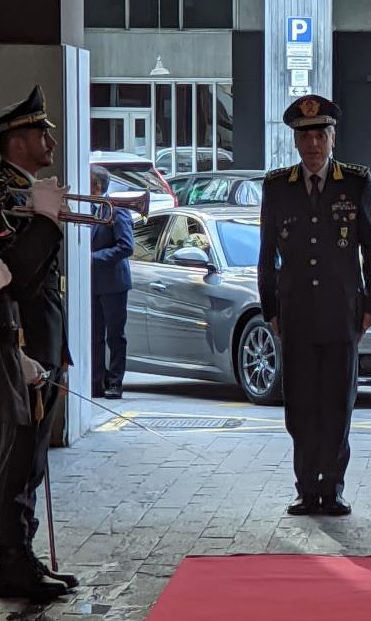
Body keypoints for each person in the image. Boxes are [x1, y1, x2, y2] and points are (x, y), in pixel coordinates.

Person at [258, 94, 371, 517]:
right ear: (295, 141)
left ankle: (330, 488)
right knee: (300, 405)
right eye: (305, 136)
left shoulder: (355, 182)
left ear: (333, 138)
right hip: (295, 313)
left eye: (320, 135)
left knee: (335, 403)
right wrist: (270, 308)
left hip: (341, 313)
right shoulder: (278, 186)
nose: (312, 144)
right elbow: (266, 255)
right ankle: (304, 487)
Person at [0, 85, 78, 591]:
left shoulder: (24, 187)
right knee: (18, 460)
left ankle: (21, 553)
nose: (50, 137)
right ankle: (13, 560)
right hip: (19, 345)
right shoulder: (7, 194)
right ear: (14, 140)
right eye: (39, 130)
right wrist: (48, 220)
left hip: (42, 343)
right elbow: (18, 275)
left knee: (32, 462)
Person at [90, 164, 133, 399]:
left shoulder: (117, 210)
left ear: (96, 186)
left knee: (115, 336)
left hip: (113, 283)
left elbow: (126, 246)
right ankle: (96, 381)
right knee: (94, 335)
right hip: (93, 284)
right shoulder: (85, 207)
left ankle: (115, 382)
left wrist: (92, 258)